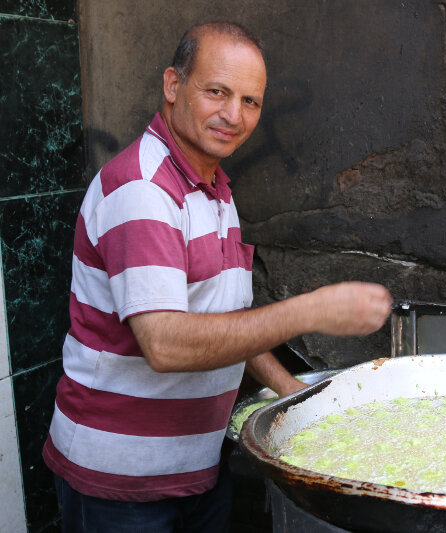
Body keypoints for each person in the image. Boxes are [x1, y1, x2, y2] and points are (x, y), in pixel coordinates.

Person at [42, 21, 393, 532]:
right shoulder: (143, 188)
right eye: (216, 92)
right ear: (172, 85)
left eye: (250, 101)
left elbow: (222, 323)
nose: (233, 115)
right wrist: (310, 311)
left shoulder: (213, 187)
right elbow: (165, 344)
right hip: (120, 485)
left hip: (195, 469)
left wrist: (291, 393)